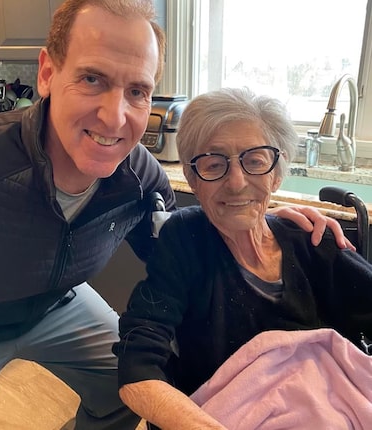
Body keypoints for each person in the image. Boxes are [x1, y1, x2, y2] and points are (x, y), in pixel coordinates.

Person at [0, 0, 351, 428]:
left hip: (58, 304)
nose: (114, 116)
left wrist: (263, 216)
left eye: (136, 91)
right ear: (47, 73)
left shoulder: (141, 177)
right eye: (92, 79)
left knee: (134, 390)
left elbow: (186, 245)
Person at [113, 87, 372, 430]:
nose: (236, 183)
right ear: (191, 177)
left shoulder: (311, 240)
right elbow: (138, 364)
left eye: (254, 161)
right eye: (214, 164)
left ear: (276, 174)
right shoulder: (186, 240)